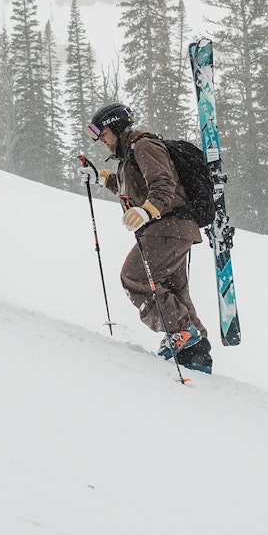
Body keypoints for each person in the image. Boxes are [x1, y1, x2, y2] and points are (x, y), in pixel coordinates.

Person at [78, 102, 211, 373]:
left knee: (135, 278)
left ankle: (182, 331)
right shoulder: (130, 154)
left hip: (168, 226)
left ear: (116, 126)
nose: (101, 141)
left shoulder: (144, 146)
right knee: (173, 289)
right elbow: (132, 189)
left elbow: (163, 184)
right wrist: (100, 177)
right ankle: (197, 354)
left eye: (103, 134)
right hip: (172, 228)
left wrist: (147, 210)